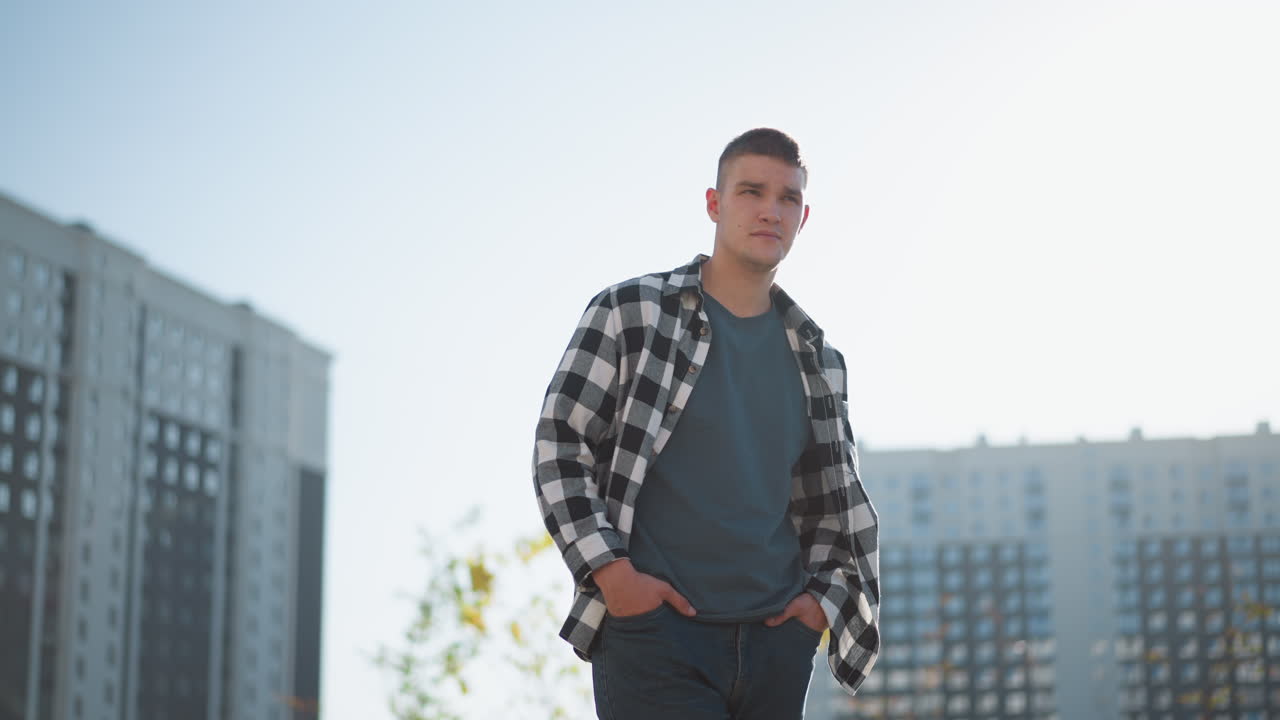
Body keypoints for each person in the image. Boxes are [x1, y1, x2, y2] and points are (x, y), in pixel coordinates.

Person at [532, 128, 880, 719]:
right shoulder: (630, 312)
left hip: (776, 644)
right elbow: (560, 449)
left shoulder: (819, 359)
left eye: (787, 198)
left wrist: (817, 608)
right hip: (656, 637)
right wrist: (614, 577)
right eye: (751, 191)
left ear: (804, 216)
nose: (770, 210)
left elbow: (828, 507)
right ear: (714, 204)